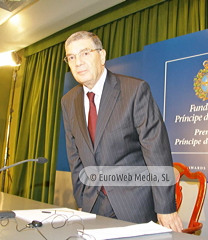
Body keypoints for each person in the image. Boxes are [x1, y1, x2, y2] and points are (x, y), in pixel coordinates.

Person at [61, 31, 183, 232]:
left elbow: (156, 151)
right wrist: (81, 200)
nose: (78, 62)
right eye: (71, 57)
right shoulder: (68, 102)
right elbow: (75, 158)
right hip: (92, 206)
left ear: (102, 56)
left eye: (85, 53)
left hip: (134, 205)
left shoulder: (135, 90)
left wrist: (166, 208)